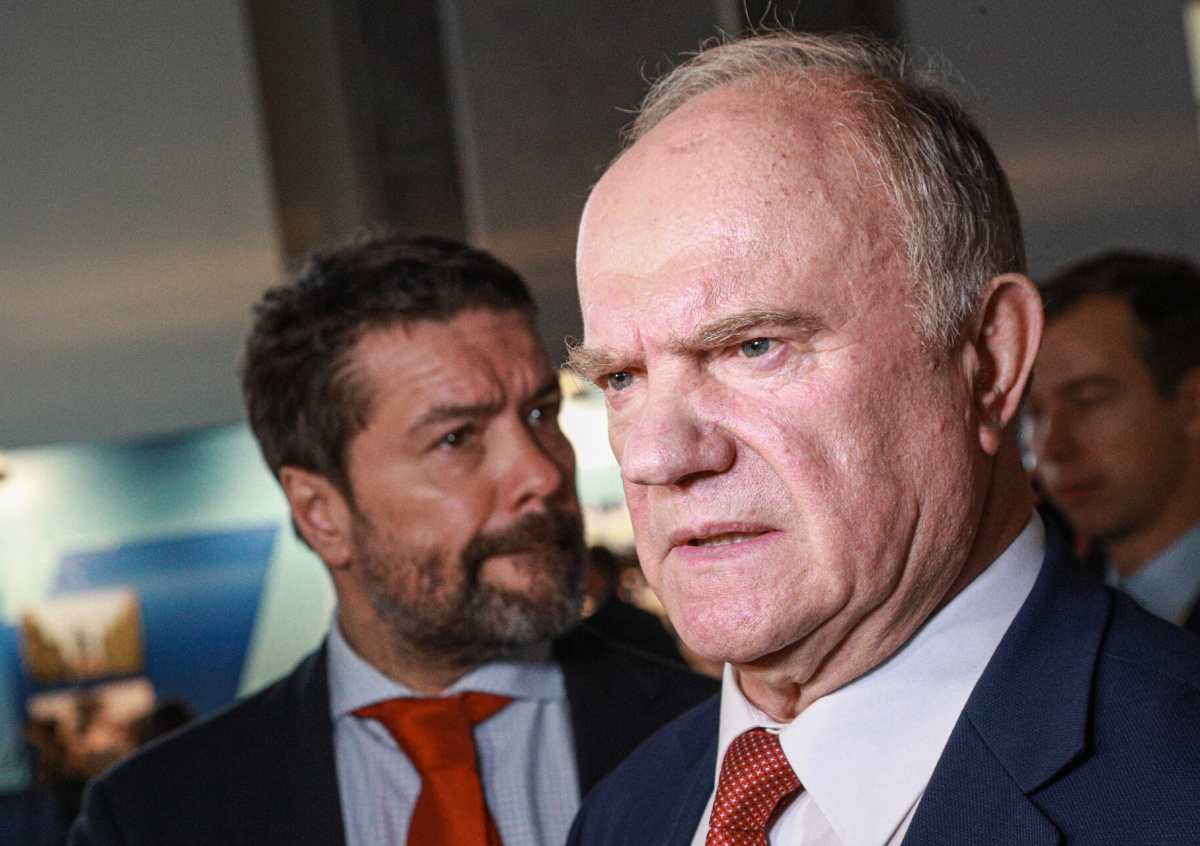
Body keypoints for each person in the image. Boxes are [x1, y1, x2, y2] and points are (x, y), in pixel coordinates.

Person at [565, 32, 1200, 846]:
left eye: (754, 347)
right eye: (621, 378)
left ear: (991, 357)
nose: (657, 457)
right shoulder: (626, 813)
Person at [70, 235, 717, 846]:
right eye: (457, 438)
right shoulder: (152, 818)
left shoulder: (725, 742)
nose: (542, 473)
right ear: (321, 513)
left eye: (540, 413)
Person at [1025, 252, 1200, 634]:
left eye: (1088, 401)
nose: (1052, 448)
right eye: (1034, 413)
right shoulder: (1042, 611)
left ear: (1192, 405)